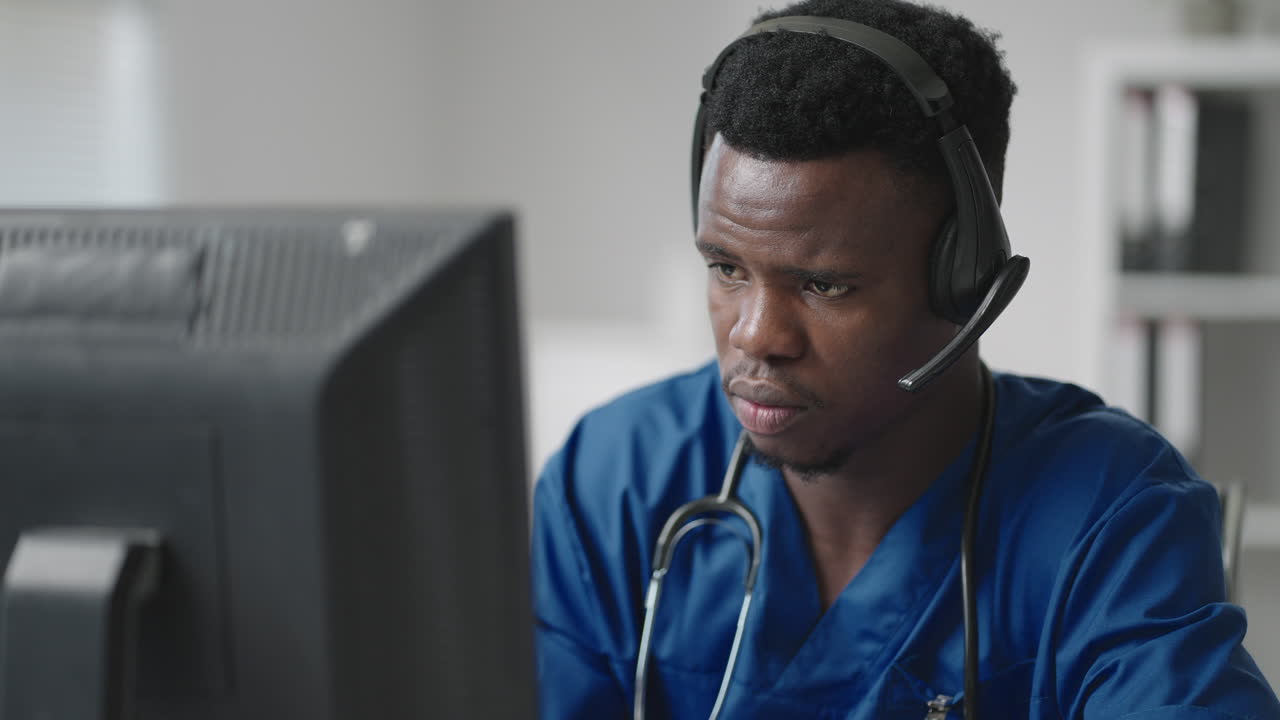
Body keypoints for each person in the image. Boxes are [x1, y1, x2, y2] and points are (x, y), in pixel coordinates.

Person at [530, 0, 1280, 717]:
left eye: (824, 285)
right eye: (726, 268)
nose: (755, 336)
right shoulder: (615, 480)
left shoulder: (1110, 510)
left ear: (965, 279)